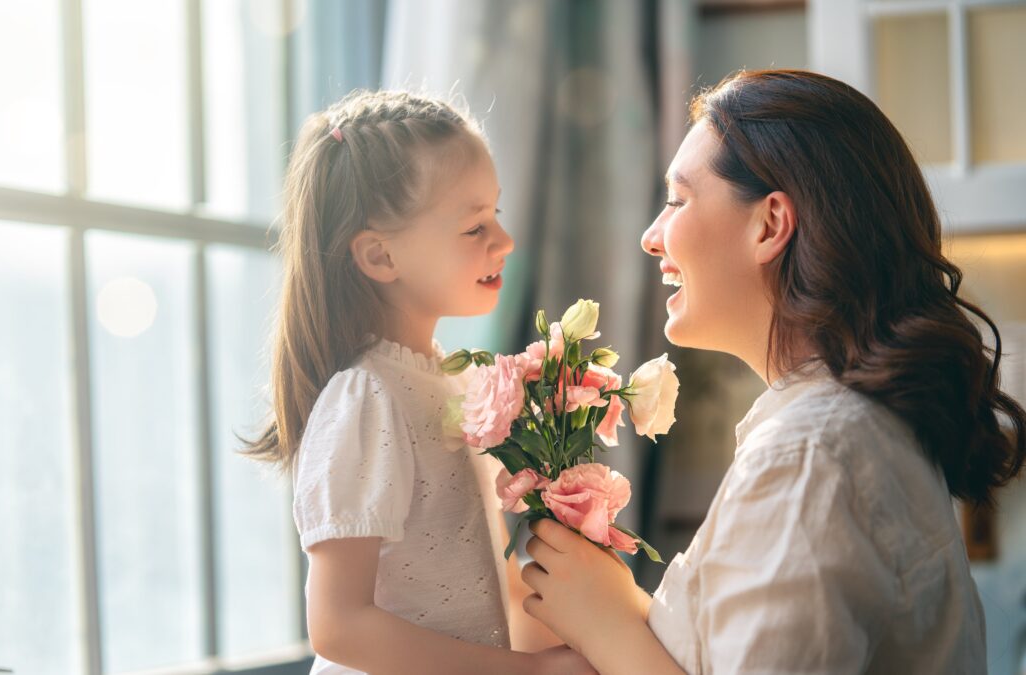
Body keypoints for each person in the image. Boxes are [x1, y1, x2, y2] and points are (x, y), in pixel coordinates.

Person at [521, 69, 1026, 674]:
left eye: (678, 201)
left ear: (770, 225)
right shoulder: (846, 433)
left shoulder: (812, 453)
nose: (651, 238)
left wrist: (607, 624)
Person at [242, 90, 594, 674]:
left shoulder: (449, 381)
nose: (503, 242)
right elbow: (338, 625)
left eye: (497, 215)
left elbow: (486, 575)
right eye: (474, 226)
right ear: (380, 257)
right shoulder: (366, 398)